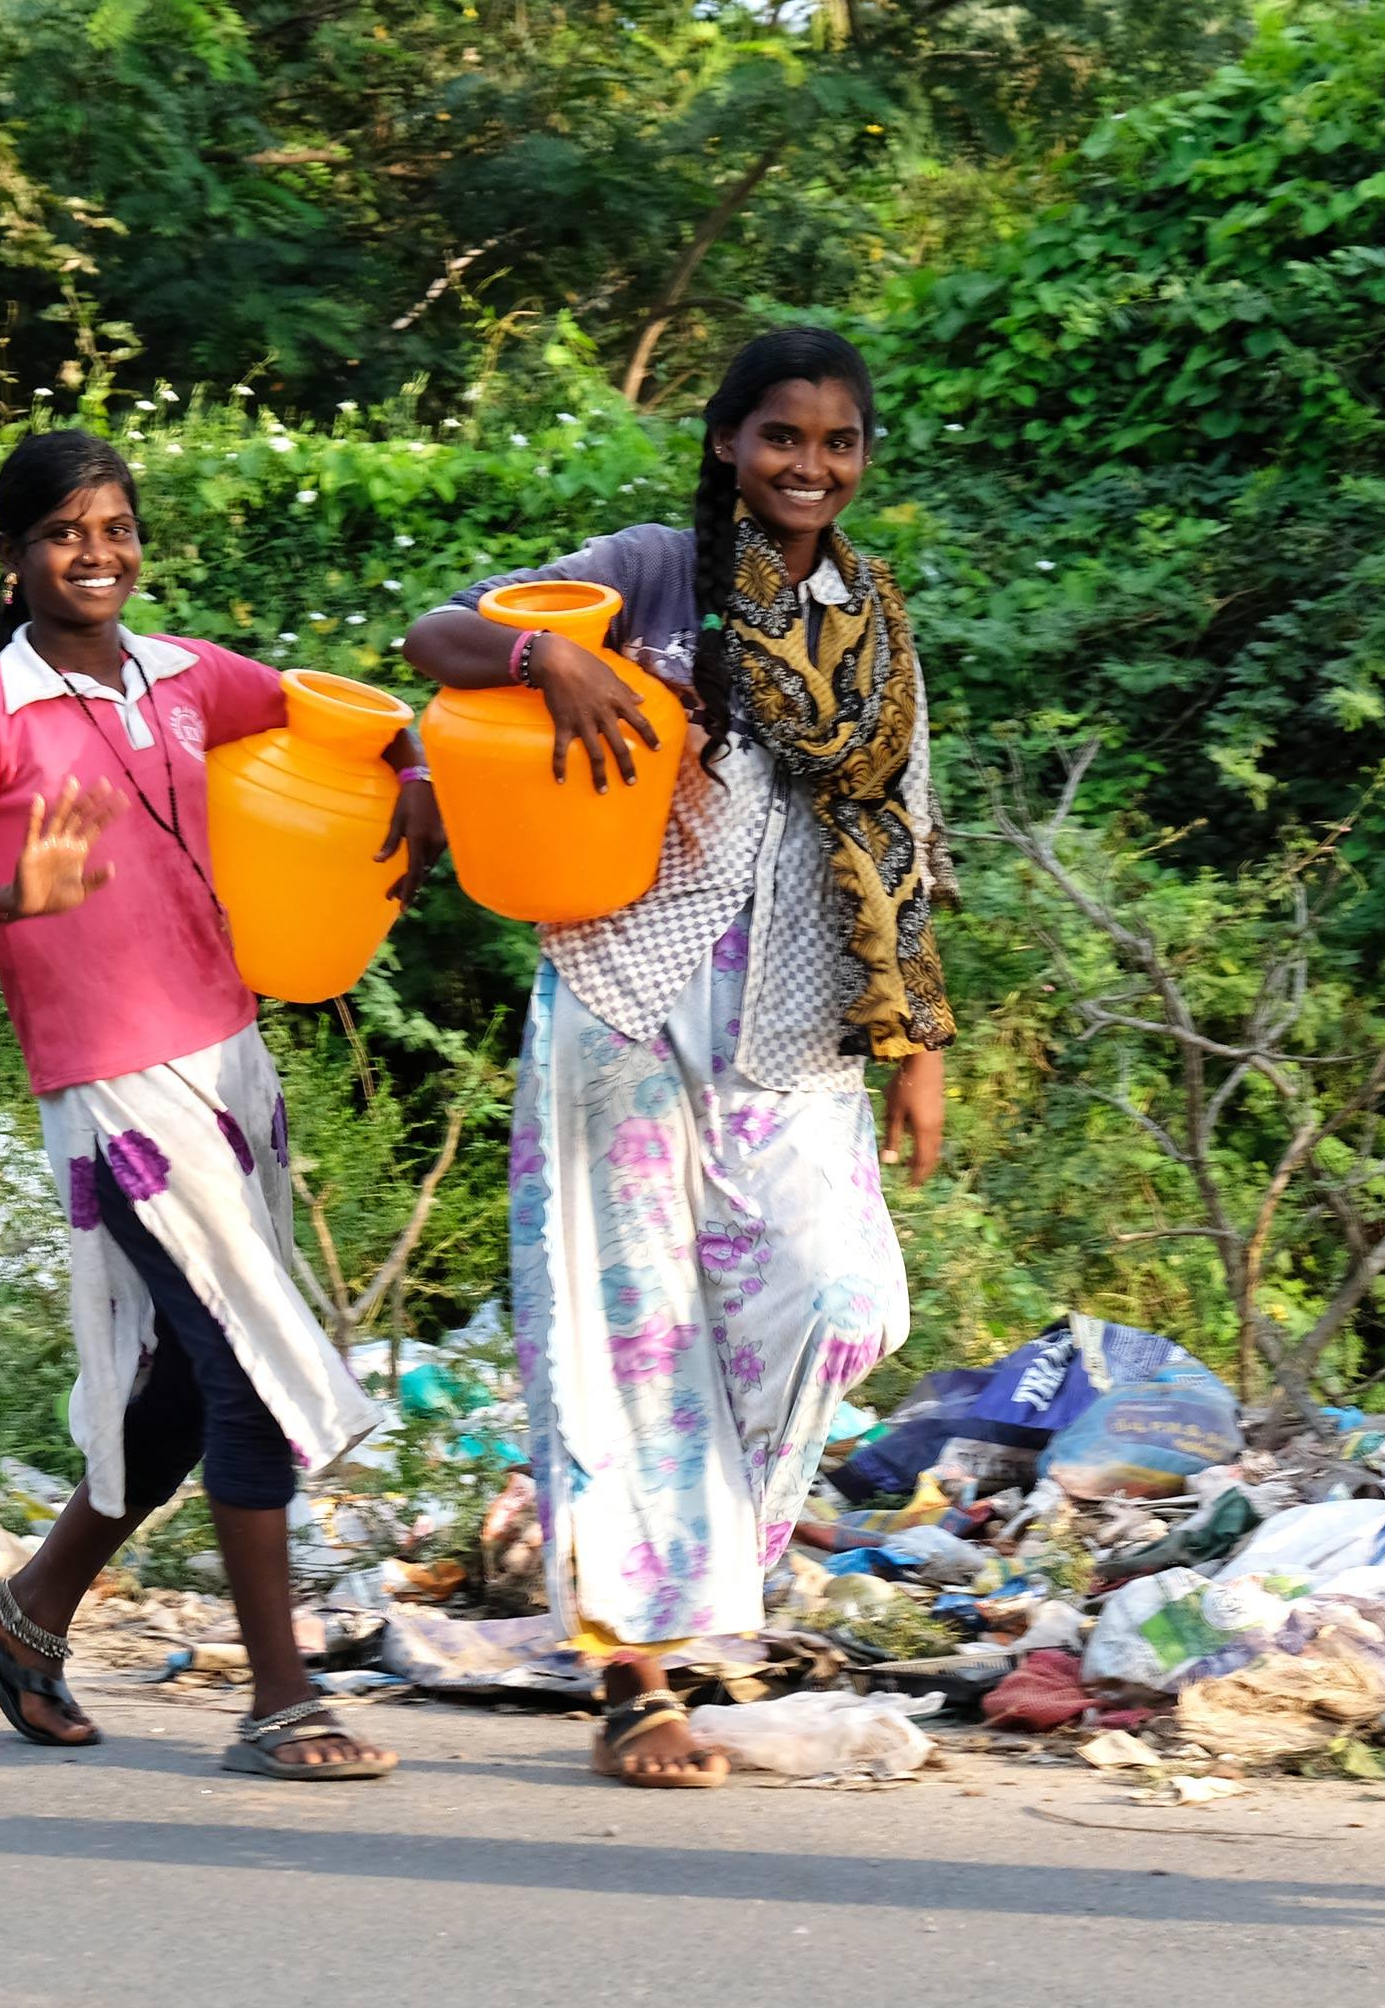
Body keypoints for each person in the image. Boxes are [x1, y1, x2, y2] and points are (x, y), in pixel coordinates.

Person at [401, 324, 946, 1790]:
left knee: (838, 1303)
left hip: (796, 1013)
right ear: (726, 443)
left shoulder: (869, 614)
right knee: (623, 1332)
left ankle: (691, 1579)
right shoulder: (649, 568)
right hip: (625, 994)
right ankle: (634, 1674)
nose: (808, 466)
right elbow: (434, 637)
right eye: (780, 437)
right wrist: (546, 662)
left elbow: (898, 828)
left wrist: (915, 1041)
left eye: (836, 443)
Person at [0, 427, 441, 1780]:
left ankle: (24, 1612)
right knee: (244, 1375)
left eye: (115, 526)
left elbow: (347, 712)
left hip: (229, 1063)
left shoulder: (184, 677)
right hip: (117, 1091)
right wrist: (7, 897)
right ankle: (280, 1699)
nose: (97, 552)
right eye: (66, 532)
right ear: (12, 558)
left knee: (183, 1383)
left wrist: (409, 772)